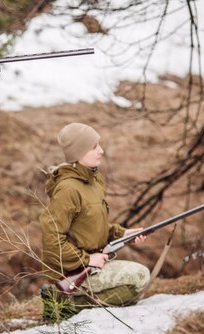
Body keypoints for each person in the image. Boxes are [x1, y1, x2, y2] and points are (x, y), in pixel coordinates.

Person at [39, 123, 150, 318]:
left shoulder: (93, 181)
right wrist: (87, 259)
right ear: (78, 152)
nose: (101, 150)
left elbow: (89, 227)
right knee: (137, 277)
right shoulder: (68, 189)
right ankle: (62, 303)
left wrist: (122, 234)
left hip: (90, 265)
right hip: (71, 271)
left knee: (138, 281)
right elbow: (51, 240)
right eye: (94, 147)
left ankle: (73, 302)